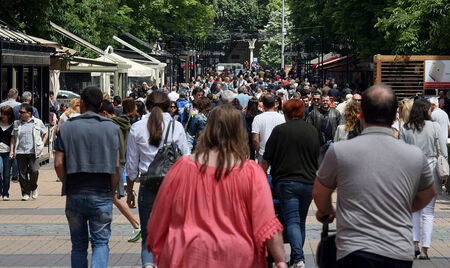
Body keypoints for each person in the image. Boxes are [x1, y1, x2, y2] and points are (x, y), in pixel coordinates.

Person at [146, 105, 287, 268]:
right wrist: (280, 259)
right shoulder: (251, 172)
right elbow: (266, 221)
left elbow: (161, 211)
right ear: (239, 132)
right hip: (236, 256)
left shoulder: (182, 167)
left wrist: (154, 239)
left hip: (187, 253)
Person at [313, 84, 436, 267]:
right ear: (395, 115)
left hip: (354, 249)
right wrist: (400, 207)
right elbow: (428, 193)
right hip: (398, 251)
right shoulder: (414, 155)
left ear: (361, 113)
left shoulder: (340, 151)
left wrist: (327, 211)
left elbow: (319, 193)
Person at [54, 87, 120, 268]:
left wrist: (66, 181)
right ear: (100, 105)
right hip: (101, 191)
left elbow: (58, 163)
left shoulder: (66, 127)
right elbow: (115, 166)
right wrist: (112, 190)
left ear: (81, 103)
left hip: (75, 190)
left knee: (78, 245)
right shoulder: (111, 128)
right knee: (100, 242)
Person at [126, 91, 189, 268]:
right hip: (173, 184)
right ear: (168, 106)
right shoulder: (176, 126)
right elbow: (186, 157)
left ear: (146, 105)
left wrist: (130, 189)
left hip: (148, 183)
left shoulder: (137, 127)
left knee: (148, 234)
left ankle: (148, 264)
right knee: (172, 232)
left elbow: (131, 164)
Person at [262, 99, 320, 268]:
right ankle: (297, 259)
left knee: (292, 220)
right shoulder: (312, 131)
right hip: (308, 181)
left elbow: (266, 159)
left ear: (286, 114)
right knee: (300, 221)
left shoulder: (279, 131)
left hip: (286, 182)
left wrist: (260, 178)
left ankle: (298, 258)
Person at [400, 98, 447, 260]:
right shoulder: (435, 126)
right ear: (425, 111)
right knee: (429, 212)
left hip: (412, 173)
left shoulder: (405, 128)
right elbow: (443, 151)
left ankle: (414, 245)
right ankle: (426, 248)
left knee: (414, 211)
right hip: (431, 171)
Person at [98, 100, 141, 243]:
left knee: (114, 196)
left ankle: (136, 225)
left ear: (104, 113)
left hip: (112, 163)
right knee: (110, 196)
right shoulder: (124, 122)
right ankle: (98, 228)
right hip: (121, 160)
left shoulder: (110, 126)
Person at [10, 103, 48, 201]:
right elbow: (13, 138)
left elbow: (45, 132)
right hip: (21, 151)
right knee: (22, 174)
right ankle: (25, 192)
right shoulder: (17, 123)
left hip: (33, 151)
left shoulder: (37, 122)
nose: (20, 114)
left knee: (34, 171)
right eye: (20, 112)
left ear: (29, 113)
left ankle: (33, 187)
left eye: (22, 112)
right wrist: (12, 150)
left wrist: (42, 144)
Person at [252, 93, 285, 165]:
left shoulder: (258, 118)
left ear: (263, 104)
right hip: (278, 154)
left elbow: (255, 139)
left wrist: (258, 151)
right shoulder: (283, 118)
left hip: (263, 154)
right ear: (274, 104)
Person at [307, 94, 340, 163]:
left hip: (332, 142)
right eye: (323, 100)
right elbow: (309, 127)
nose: (325, 102)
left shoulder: (336, 112)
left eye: (327, 101)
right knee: (319, 164)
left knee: (332, 163)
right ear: (321, 102)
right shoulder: (313, 113)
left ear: (330, 102)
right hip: (319, 143)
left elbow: (340, 127)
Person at [0, 106, 14, 200]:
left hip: (7, 151)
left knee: (6, 174)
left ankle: (5, 193)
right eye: (2, 114)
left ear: (9, 115)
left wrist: (12, 151)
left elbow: (13, 139)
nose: (3, 116)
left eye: (5, 114)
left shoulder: (13, 125)